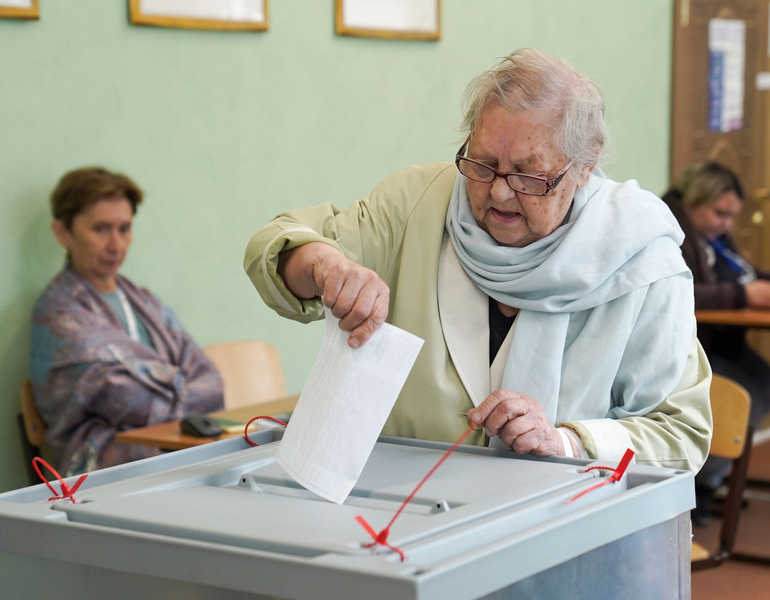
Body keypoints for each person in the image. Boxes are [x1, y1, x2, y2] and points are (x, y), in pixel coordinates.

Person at [244, 48, 712, 470]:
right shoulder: (417, 203)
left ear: (584, 167)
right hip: (401, 513)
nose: (500, 192)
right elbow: (276, 244)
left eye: (529, 174)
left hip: (567, 534)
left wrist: (568, 441)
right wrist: (324, 265)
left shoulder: (644, 259)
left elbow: (680, 434)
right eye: (483, 164)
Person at [29, 167, 224, 476]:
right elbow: (128, 399)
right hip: (102, 470)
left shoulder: (144, 302)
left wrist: (164, 390)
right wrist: (182, 389)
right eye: (101, 229)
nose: (115, 244)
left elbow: (212, 383)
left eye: (124, 228)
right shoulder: (58, 312)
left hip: (171, 448)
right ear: (63, 233)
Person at [663, 161, 770, 523]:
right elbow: (680, 292)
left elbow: (741, 273)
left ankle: (717, 477)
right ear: (695, 200)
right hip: (690, 347)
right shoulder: (668, 231)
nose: (726, 223)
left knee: (764, 380)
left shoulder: (713, 237)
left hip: (724, 342)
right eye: (720, 213)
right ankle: (702, 487)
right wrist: (743, 295)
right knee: (745, 393)